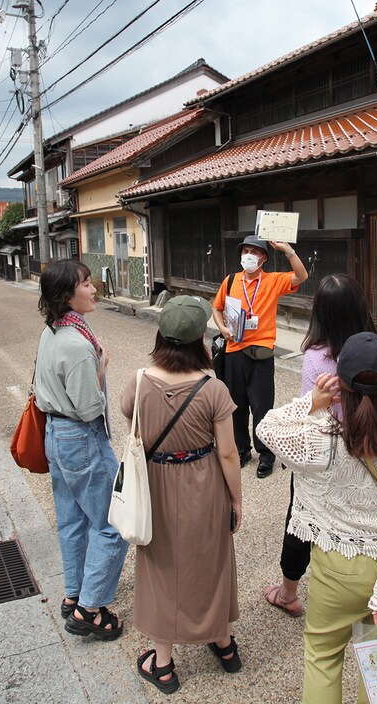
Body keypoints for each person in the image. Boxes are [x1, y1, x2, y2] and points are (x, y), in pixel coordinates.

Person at [258, 333, 377, 703]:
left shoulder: (320, 440)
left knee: (323, 655)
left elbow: (266, 428)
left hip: (335, 566)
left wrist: (312, 401)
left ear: (341, 385)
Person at [121, 296, 243, 694]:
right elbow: (227, 452)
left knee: (160, 568)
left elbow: (132, 426)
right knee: (212, 560)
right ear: (200, 340)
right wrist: (236, 500)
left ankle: (164, 663)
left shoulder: (138, 381)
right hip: (203, 486)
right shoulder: (214, 389)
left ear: (160, 336)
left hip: (155, 487)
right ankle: (223, 644)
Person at [264, 274, 377, 619]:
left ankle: (288, 593)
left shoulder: (316, 356)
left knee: (301, 518)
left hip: (325, 452)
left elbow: (307, 407)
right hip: (367, 445)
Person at [34, 259, 128, 640]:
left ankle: (73, 594)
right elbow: (90, 406)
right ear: (66, 296)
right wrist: (100, 367)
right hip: (81, 436)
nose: (93, 289)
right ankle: (90, 608)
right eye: (85, 284)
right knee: (113, 521)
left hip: (56, 434)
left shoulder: (56, 330)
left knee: (73, 520)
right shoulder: (77, 345)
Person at [211, 235, 308, 478]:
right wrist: (222, 328)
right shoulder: (231, 280)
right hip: (233, 351)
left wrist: (287, 250)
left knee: (262, 406)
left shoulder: (273, 281)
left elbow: (301, 276)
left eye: (254, 252)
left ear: (263, 258)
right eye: (245, 251)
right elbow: (216, 307)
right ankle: (242, 450)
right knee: (237, 406)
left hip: (261, 354)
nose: (248, 256)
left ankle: (266, 454)